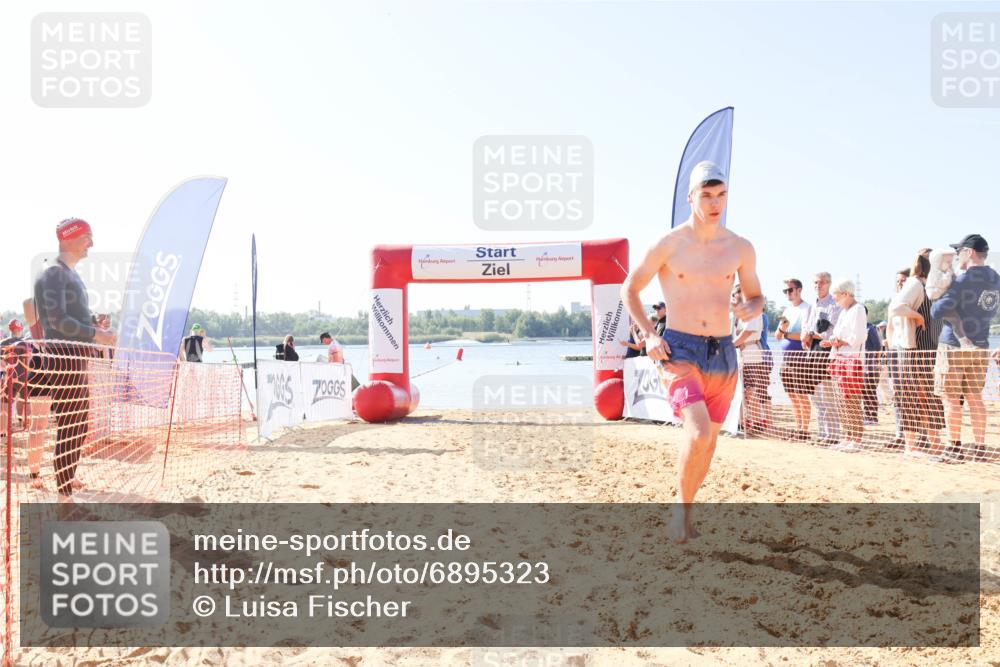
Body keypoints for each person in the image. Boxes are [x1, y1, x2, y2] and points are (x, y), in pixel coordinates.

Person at [621, 161, 763, 543]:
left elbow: (755, 295)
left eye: (721, 196)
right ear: (691, 197)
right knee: (698, 433)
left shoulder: (740, 247)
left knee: (711, 441)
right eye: (707, 196)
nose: (716, 204)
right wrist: (649, 334)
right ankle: (679, 515)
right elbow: (629, 290)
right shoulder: (669, 243)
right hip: (679, 347)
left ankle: (684, 511)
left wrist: (754, 307)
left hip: (723, 353)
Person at [28, 218, 116, 504]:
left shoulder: (69, 274)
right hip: (62, 358)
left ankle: (66, 485)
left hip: (75, 357)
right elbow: (55, 320)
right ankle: (64, 498)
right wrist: (97, 335)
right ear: (69, 238)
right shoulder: (53, 273)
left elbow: (71, 317)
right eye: (88, 236)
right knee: (70, 425)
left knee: (79, 424)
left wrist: (94, 323)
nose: (92, 243)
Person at [931, 234, 1000, 462]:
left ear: (969, 252)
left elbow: (937, 311)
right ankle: (980, 449)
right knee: (975, 397)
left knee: (951, 398)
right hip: (981, 345)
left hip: (954, 345)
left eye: (959, 251)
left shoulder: (962, 281)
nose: (957, 255)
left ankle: (954, 448)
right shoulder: (995, 278)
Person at [888, 252, 947, 460]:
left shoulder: (929, 286)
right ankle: (911, 446)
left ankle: (935, 444)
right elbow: (897, 307)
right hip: (914, 350)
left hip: (929, 348)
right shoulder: (915, 283)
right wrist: (918, 316)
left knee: (929, 396)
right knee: (914, 396)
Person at [825, 279, 867, 452]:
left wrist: (838, 342)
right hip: (839, 357)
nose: (835, 299)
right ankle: (847, 435)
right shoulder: (843, 311)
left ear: (846, 294)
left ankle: (856, 438)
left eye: (836, 296)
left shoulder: (858, 309)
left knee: (852, 400)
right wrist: (833, 341)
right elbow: (837, 333)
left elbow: (857, 337)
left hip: (852, 360)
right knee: (840, 400)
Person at [801, 272, 842, 445]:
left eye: (823, 282)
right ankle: (822, 433)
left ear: (829, 284)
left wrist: (812, 334)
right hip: (812, 353)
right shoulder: (811, 306)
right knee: (816, 397)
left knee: (829, 396)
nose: (819, 285)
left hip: (827, 353)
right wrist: (806, 334)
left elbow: (832, 332)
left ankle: (832, 434)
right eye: (816, 282)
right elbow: (806, 328)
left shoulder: (835, 304)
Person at [775, 278, 812, 440]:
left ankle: (805, 430)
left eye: (790, 290)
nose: (788, 294)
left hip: (801, 359)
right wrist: (783, 330)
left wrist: (786, 333)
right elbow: (777, 336)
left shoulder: (807, 309)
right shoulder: (787, 310)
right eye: (785, 291)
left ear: (799, 290)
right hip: (786, 359)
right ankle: (798, 429)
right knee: (792, 395)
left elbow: (805, 336)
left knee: (802, 395)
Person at [731, 285, 770, 436]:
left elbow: (748, 332)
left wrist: (731, 344)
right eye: (734, 294)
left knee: (751, 390)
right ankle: (745, 421)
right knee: (743, 390)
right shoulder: (738, 313)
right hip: (740, 353)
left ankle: (757, 421)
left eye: (738, 293)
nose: (735, 296)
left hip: (752, 352)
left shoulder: (754, 311)